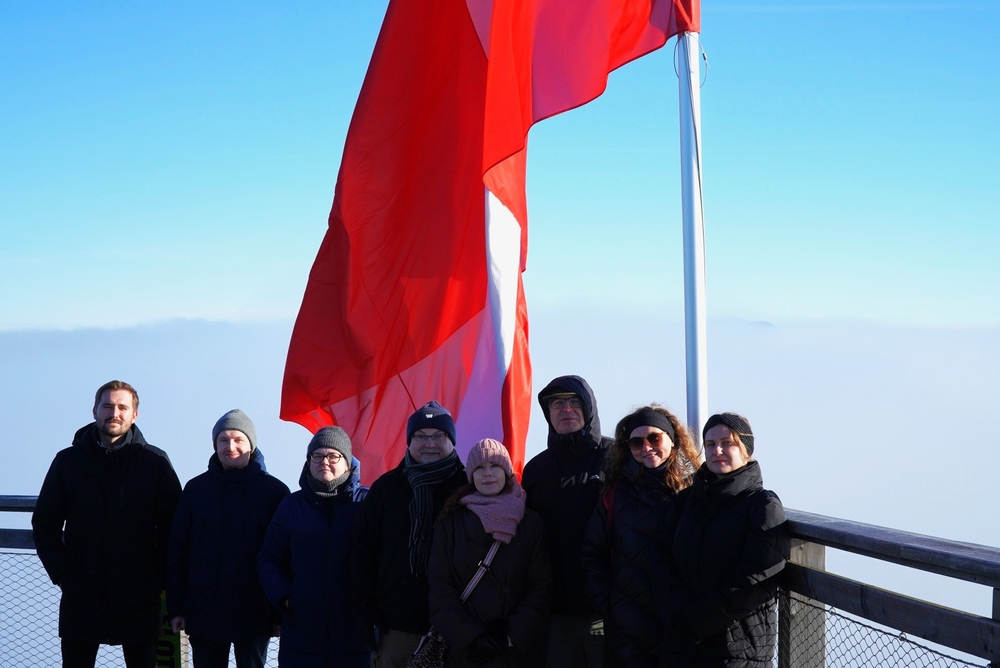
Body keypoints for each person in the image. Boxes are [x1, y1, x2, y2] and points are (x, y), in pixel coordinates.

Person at [32, 380, 182, 668]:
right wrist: (63, 574)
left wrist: (157, 579)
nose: (115, 413)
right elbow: (45, 522)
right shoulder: (68, 462)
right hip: (82, 596)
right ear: (94, 411)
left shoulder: (155, 463)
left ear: (134, 414)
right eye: (108, 406)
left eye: (123, 407)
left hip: (139, 597)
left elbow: (172, 529)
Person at [660, 413, 789, 668]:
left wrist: (696, 620)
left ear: (745, 449)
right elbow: (661, 557)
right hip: (683, 645)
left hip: (738, 649)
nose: (717, 450)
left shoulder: (762, 506)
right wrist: (677, 613)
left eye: (727, 442)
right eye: (710, 444)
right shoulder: (687, 501)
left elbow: (756, 581)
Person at [167, 409, 290, 668]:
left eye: (238, 439)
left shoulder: (275, 492)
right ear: (215, 445)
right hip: (204, 610)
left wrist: (280, 612)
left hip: (256, 610)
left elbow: (285, 556)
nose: (230, 446)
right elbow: (178, 550)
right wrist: (176, 607)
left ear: (251, 445)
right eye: (223, 440)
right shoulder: (195, 490)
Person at [581, 405, 701, 667]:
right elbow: (593, 553)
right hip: (627, 627)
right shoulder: (614, 494)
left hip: (680, 622)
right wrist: (609, 605)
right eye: (637, 442)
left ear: (672, 439)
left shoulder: (694, 491)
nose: (646, 447)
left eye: (654, 438)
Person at [351, 400, 468, 668]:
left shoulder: (468, 488)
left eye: (439, 436)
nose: (430, 443)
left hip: (456, 628)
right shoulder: (386, 489)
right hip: (397, 627)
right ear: (409, 441)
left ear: (452, 441)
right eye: (420, 436)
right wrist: (364, 611)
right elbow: (363, 553)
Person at [429, 438, 553, 667]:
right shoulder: (450, 522)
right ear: (471, 476)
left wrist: (510, 636)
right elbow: (440, 589)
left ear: (506, 472)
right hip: (465, 653)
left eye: (495, 466)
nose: (487, 473)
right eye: (479, 468)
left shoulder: (530, 522)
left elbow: (540, 587)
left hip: (516, 650)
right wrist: (471, 637)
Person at [258, 426, 371, 667]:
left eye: (333, 456)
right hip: (302, 634)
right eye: (317, 456)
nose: (324, 462)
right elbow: (269, 559)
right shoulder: (291, 506)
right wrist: (287, 598)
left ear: (348, 462)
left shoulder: (367, 503)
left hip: (357, 634)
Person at [521, 376, 611, 667]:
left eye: (574, 401)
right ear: (548, 413)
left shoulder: (616, 457)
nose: (566, 409)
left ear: (588, 408)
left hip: (606, 608)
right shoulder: (536, 469)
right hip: (556, 611)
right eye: (557, 403)